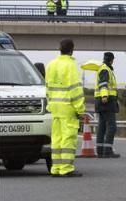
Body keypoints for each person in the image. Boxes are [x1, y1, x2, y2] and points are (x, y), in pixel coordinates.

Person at [45, 39, 85, 177]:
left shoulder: (51, 65)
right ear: (72, 49)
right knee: (68, 137)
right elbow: (75, 89)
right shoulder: (71, 65)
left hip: (54, 106)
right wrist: (80, 109)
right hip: (67, 106)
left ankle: (56, 167)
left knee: (56, 137)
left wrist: (50, 103)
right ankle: (66, 168)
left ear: (59, 48)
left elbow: (48, 87)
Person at [94, 52, 120, 158]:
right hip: (106, 101)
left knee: (102, 126)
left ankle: (100, 150)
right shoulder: (105, 69)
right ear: (112, 59)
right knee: (111, 126)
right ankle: (107, 150)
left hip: (101, 101)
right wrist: (104, 95)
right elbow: (103, 83)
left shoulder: (104, 68)